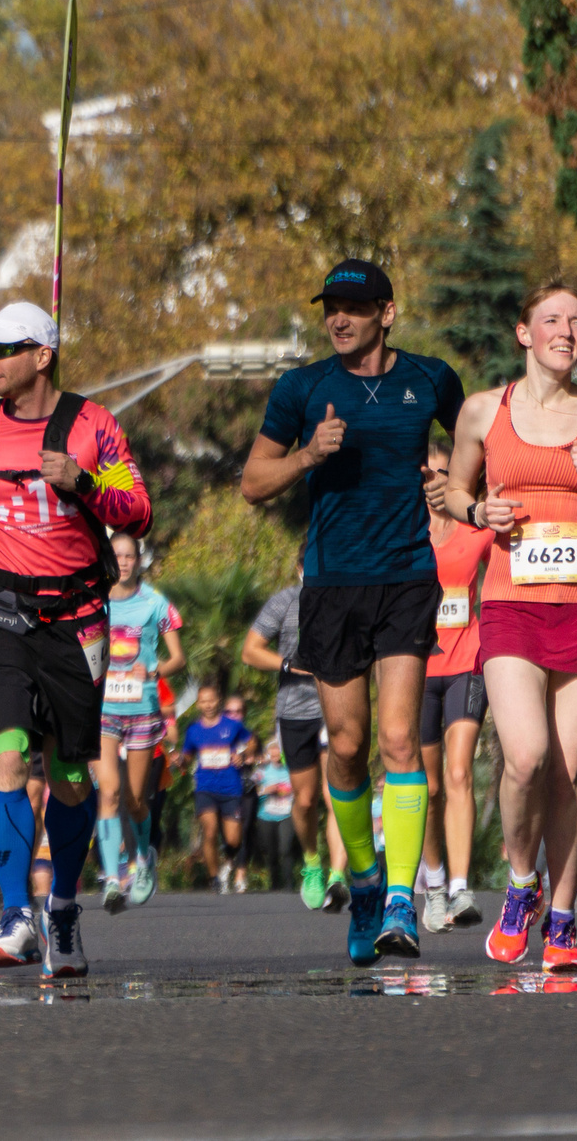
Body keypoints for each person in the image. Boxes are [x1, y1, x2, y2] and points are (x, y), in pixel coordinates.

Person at [241, 258, 463, 965]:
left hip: (406, 577)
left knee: (399, 739)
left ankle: (400, 898)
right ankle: (363, 881)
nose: (339, 319)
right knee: (345, 746)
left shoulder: (431, 379)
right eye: (331, 307)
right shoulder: (302, 387)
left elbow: (478, 445)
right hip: (332, 585)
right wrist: (308, 454)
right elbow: (253, 482)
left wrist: (456, 489)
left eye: (355, 307)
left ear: (386, 313)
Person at [444, 284, 577, 969]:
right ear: (524, 332)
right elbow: (453, 490)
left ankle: (563, 921)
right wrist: (478, 513)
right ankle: (521, 883)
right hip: (511, 602)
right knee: (525, 757)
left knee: (569, 770)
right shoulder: (484, 410)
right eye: (551, 320)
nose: (566, 331)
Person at [0, 301, 153, 978]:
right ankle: (14, 915)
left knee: (69, 775)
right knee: (6, 755)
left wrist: (82, 482)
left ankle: (61, 907)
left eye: (3, 349)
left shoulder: (93, 426)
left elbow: (138, 510)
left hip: (77, 618)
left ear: (42, 355)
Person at [419, 444, 492, 934]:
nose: (437, 480)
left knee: (460, 771)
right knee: (428, 788)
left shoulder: (475, 529)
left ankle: (463, 889)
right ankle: (435, 885)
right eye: (428, 473)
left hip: (468, 662)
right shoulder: (405, 534)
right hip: (416, 671)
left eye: (446, 472)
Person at [244, 572, 348, 911]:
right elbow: (250, 651)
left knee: (336, 795)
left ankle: (338, 876)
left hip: (335, 708)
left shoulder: (345, 596)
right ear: (301, 567)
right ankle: (312, 863)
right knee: (304, 800)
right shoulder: (286, 601)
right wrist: (287, 664)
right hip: (294, 712)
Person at [96, 533, 182, 910]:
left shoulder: (155, 602)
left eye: (130, 556)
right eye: (117, 556)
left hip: (143, 710)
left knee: (134, 800)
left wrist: (154, 670)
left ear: (139, 560)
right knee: (108, 793)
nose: (124, 562)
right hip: (104, 711)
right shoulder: (94, 602)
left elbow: (178, 658)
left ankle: (144, 859)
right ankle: (113, 880)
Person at [178, 683, 250, 892]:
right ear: (198, 704)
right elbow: (187, 756)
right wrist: (181, 761)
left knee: (234, 840)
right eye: (203, 701)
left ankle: (228, 860)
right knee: (209, 831)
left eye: (211, 700)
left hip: (231, 788)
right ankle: (214, 878)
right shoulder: (193, 730)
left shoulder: (233, 725)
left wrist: (242, 754)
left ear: (218, 701)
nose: (208, 705)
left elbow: (251, 741)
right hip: (205, 787)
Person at [254, 736, 299, 890]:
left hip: (286, 815)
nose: (275, 755)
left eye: (277, 752)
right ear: (267, 754)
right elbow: (251, 790)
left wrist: (290, 791)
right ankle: (274, 885)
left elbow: (300, 789)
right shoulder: (261, 771)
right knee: (271, 852)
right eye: (272, 752)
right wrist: (266, 790)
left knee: (285, 849)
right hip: (266, 816)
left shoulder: (290, 770)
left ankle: (289, 885)